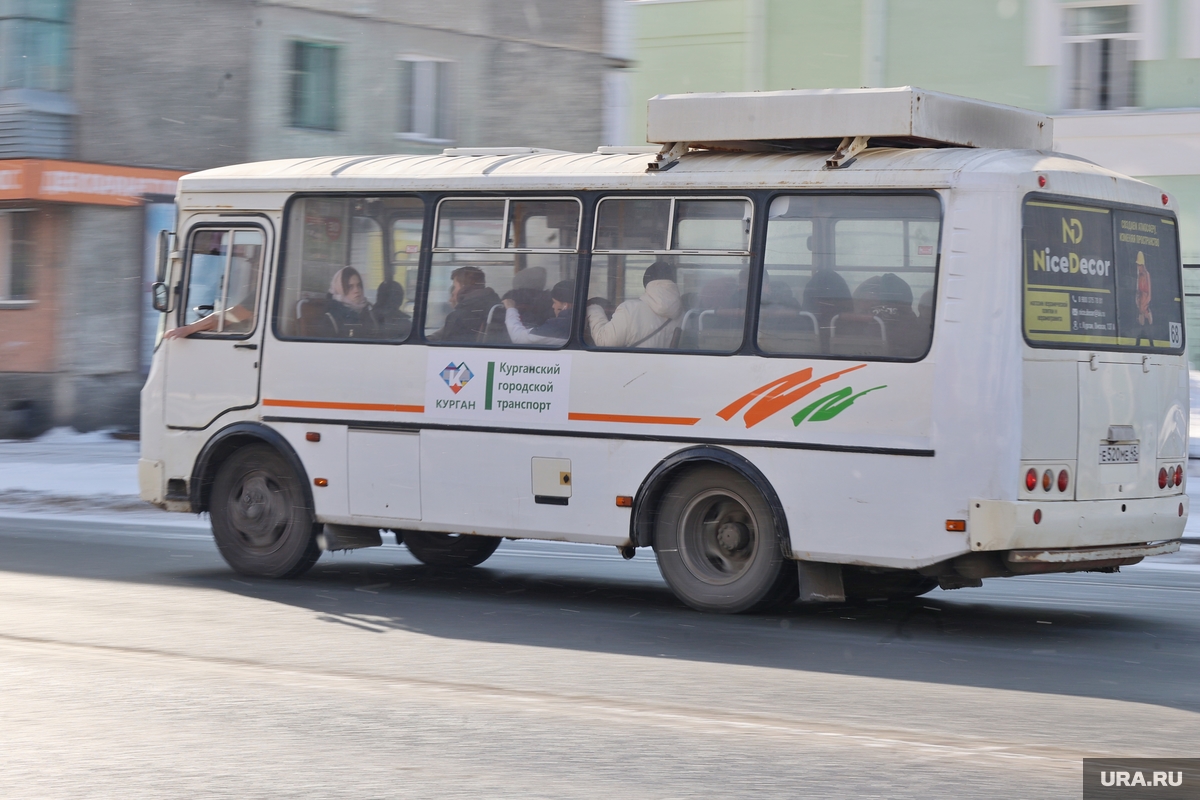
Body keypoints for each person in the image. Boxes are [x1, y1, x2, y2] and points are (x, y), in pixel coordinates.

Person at [586, 260, 682, 348]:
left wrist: (594, 309)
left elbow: (603, 341)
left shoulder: (630, 310)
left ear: (646, 283)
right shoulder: (685, 314)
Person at [428, 265, 502, 342]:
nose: (453, 291)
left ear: (464, 287)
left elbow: (447, 347)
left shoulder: (460, 316)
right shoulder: (493, 305)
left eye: (455, 287)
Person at [504, 280, 574, 345]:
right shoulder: (575, 321)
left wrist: (511, 309)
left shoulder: (560, 325)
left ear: (565, 305)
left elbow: (518, 338)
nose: (553, 306)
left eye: (555, 302)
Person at [324, 266, 376, 338]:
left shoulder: (369, 313)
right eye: (350, 287)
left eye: (359, 285)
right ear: (340, 289)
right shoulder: (331, 318)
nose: (357, 290)